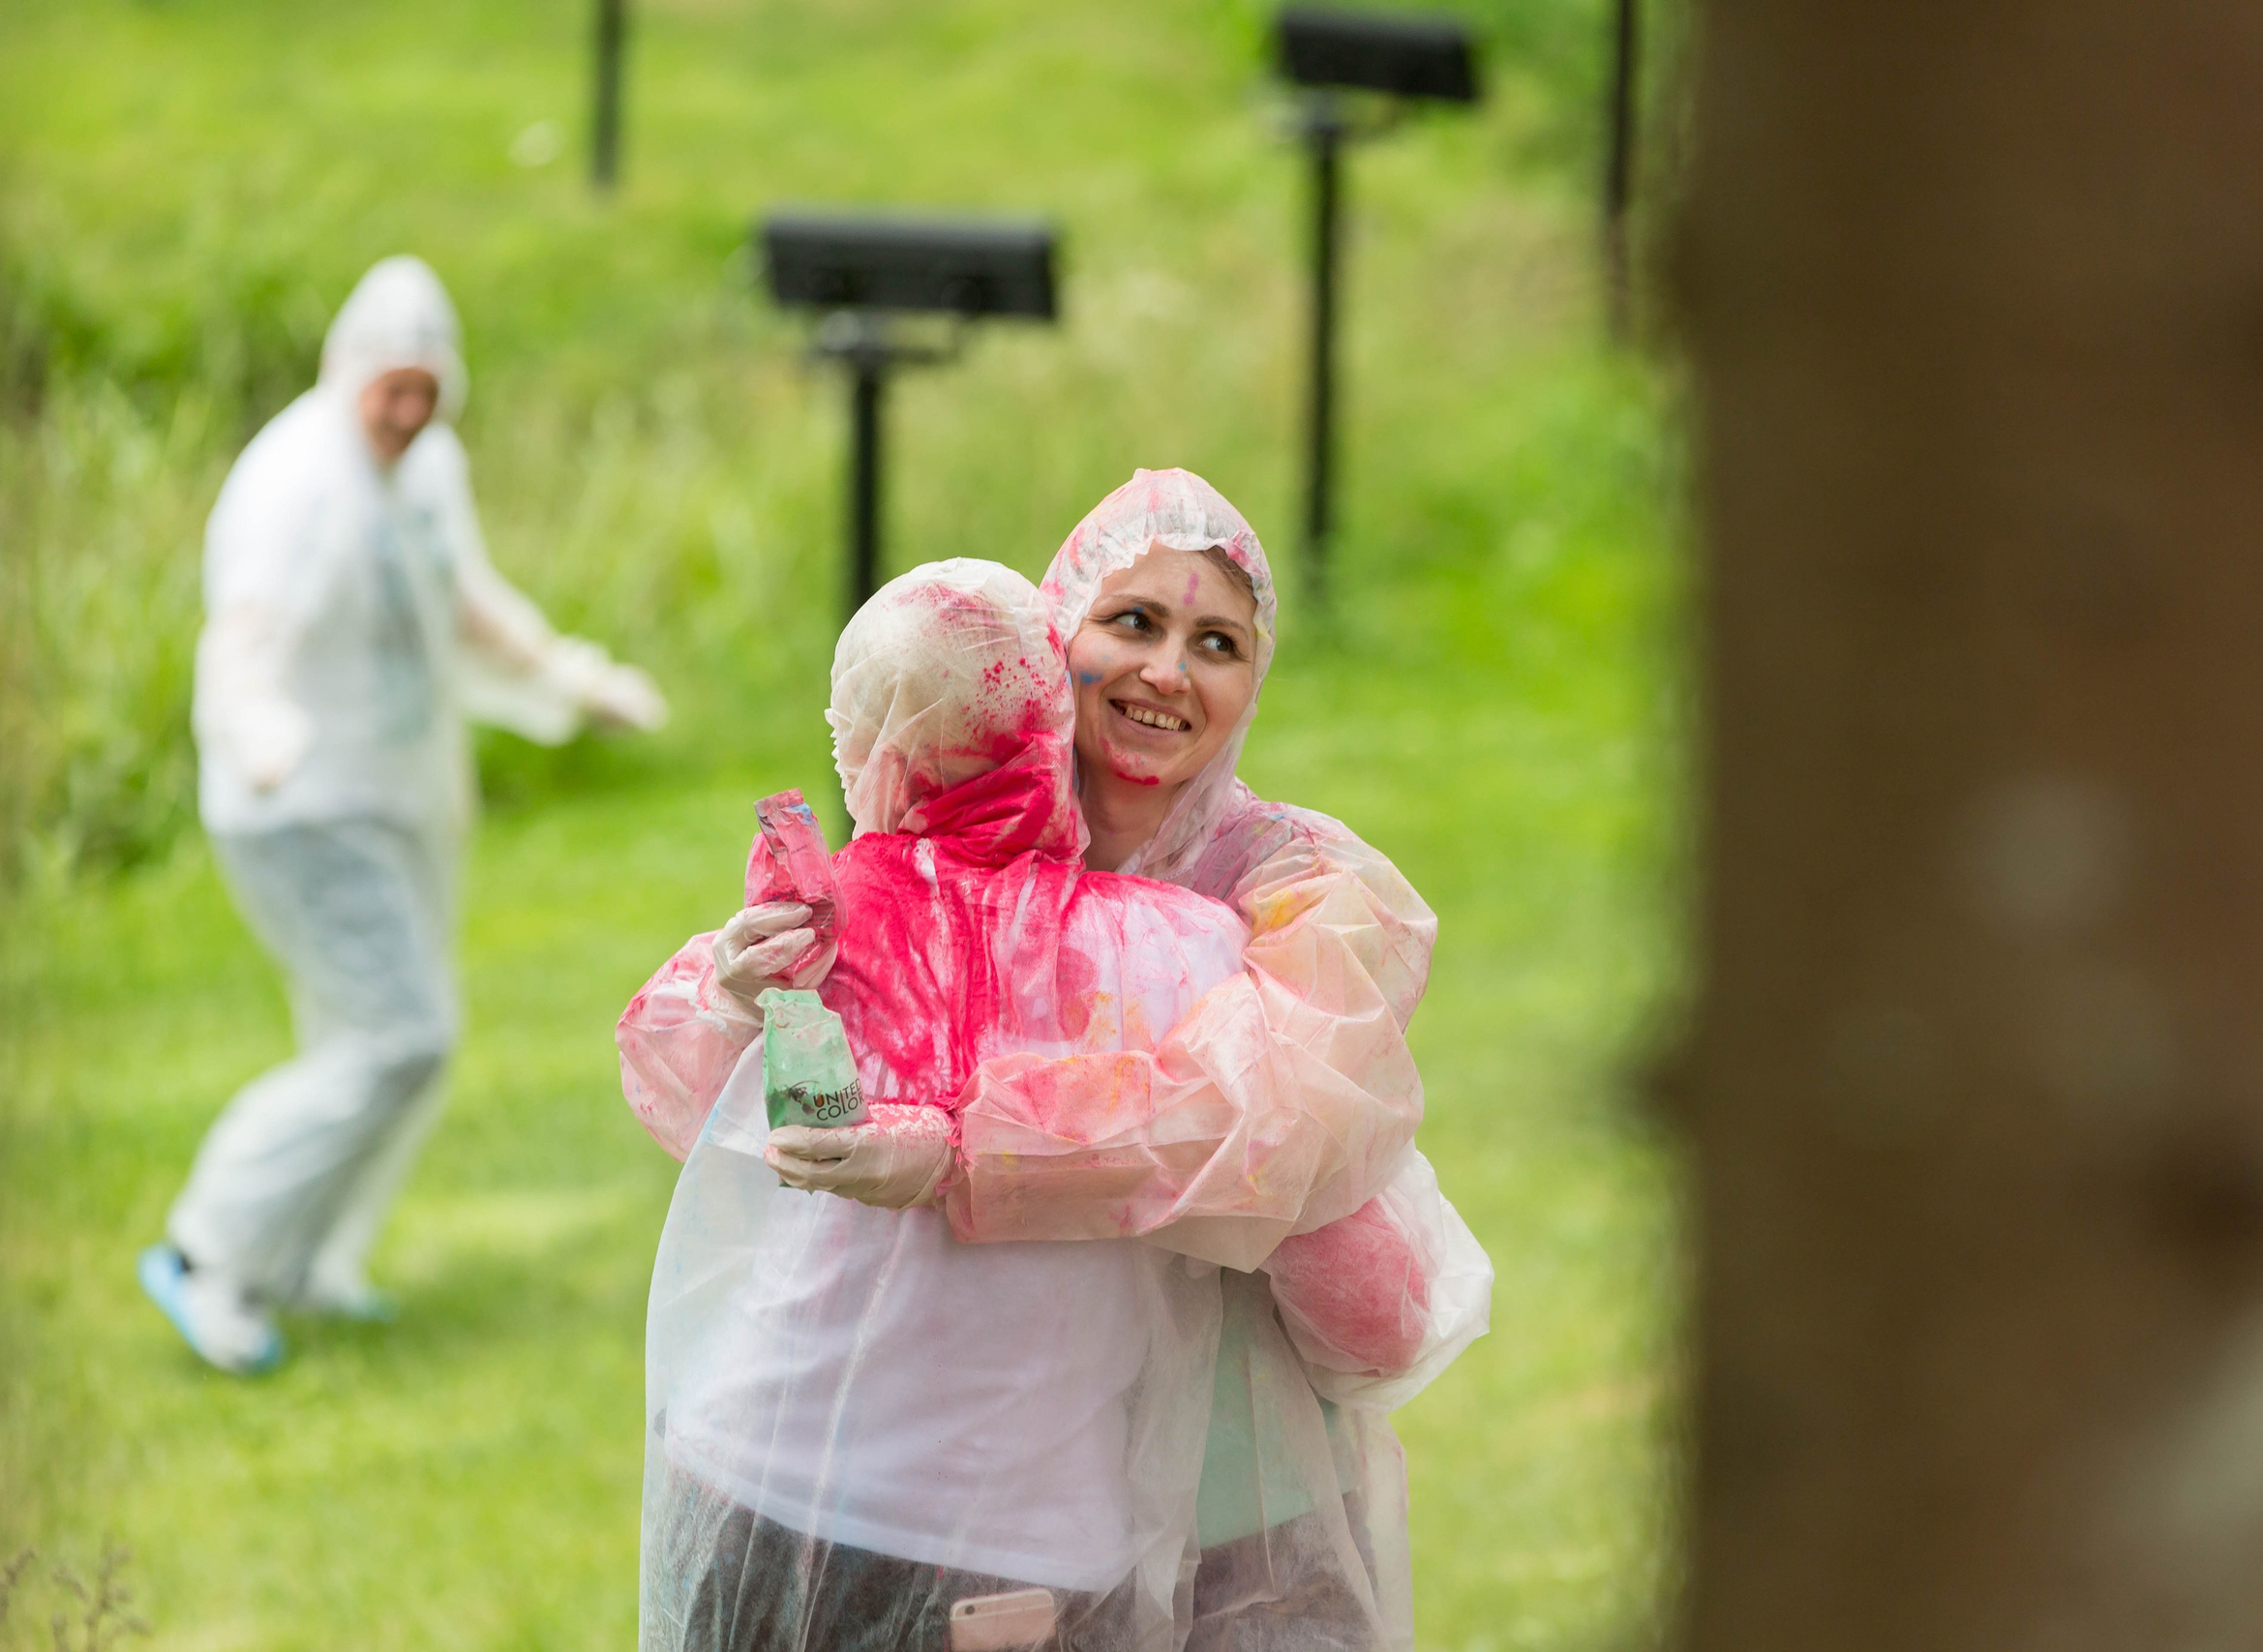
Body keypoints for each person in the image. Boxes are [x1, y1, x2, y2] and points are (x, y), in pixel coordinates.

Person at [623, 469, 1488, 1647]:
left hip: (1239, 1498)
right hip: (972, 1498)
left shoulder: (1289, 890)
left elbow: (1271, 1123)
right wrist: (732, 992)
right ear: (1047, 638)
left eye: (1217, 643)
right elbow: (718, 1119)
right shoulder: (933, 852)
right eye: (1132, 623)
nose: (1168, 672)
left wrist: (965, 1151)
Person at [632, 559, 1252, 1649]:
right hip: (1022, 1539)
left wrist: (725, 988)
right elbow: (1302, 1215)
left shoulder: (808, 931)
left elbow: (677, 1103)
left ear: (878, 749)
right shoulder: (1179, 950)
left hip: (753, 1470)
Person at [139, 255, 667, 1375]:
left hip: (394, 791)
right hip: (298, 803)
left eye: (428, 392)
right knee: (401, 1034)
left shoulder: (427, 466)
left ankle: (309, 1263)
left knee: (376, 1044)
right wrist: (256, 725)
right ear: (350, 376)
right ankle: (208, 1253)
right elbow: (242, 633)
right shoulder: (294, 482)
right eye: (393, 392)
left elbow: (465, 599)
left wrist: (571, 678)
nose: (410, 414)